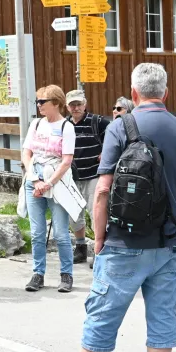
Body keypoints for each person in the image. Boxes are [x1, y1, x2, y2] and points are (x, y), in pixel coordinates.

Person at [47, 63, 176, 352]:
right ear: (166, 92)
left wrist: (99, 237)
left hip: (122, 242)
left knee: (102, 314)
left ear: (134, 94)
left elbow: (102, 190)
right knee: (163, 318)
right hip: (166, 245)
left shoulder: (120, 127)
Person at [17, 84, 84, 293]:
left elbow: (66, 161)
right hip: (34, 179)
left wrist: (49, 183)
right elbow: (26, 153)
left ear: (55, 103)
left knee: (61, 233)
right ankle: (38, 274)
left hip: (57, 181)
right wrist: (35, 179)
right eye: (38, 101)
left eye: (42, 102)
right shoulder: (36, 124)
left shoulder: (66, 127)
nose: (38, 105)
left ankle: (66, 275)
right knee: (37, 233)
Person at [65, 89, 110, 266]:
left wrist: (106, 151)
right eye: (72, 105)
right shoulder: (65, 125)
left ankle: (100, 250)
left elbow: (116, 134)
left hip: (94, 175)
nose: (76, 108)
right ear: (67, 107)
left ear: (85, 105)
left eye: (79, 104)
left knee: (96, 213)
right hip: (72, 176)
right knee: (74, 214)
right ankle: (81, 248)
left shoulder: (97, 121)